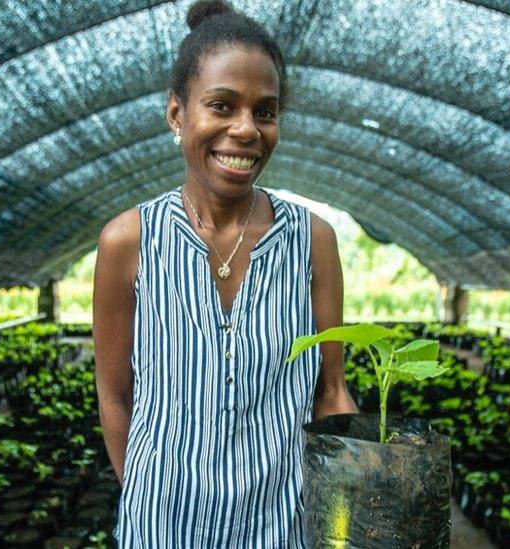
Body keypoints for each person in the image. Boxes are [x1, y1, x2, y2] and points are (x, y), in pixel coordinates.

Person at [92, 1, 358, 546]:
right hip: (162, 524)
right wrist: (147, 491)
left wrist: (357, 494)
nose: (246, 130)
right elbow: (115, 395)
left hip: (285, 523)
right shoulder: (129, 241)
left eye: (265, 111)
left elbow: (331, 389)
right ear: (176, 114)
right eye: (221, 105)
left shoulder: (313, 241)